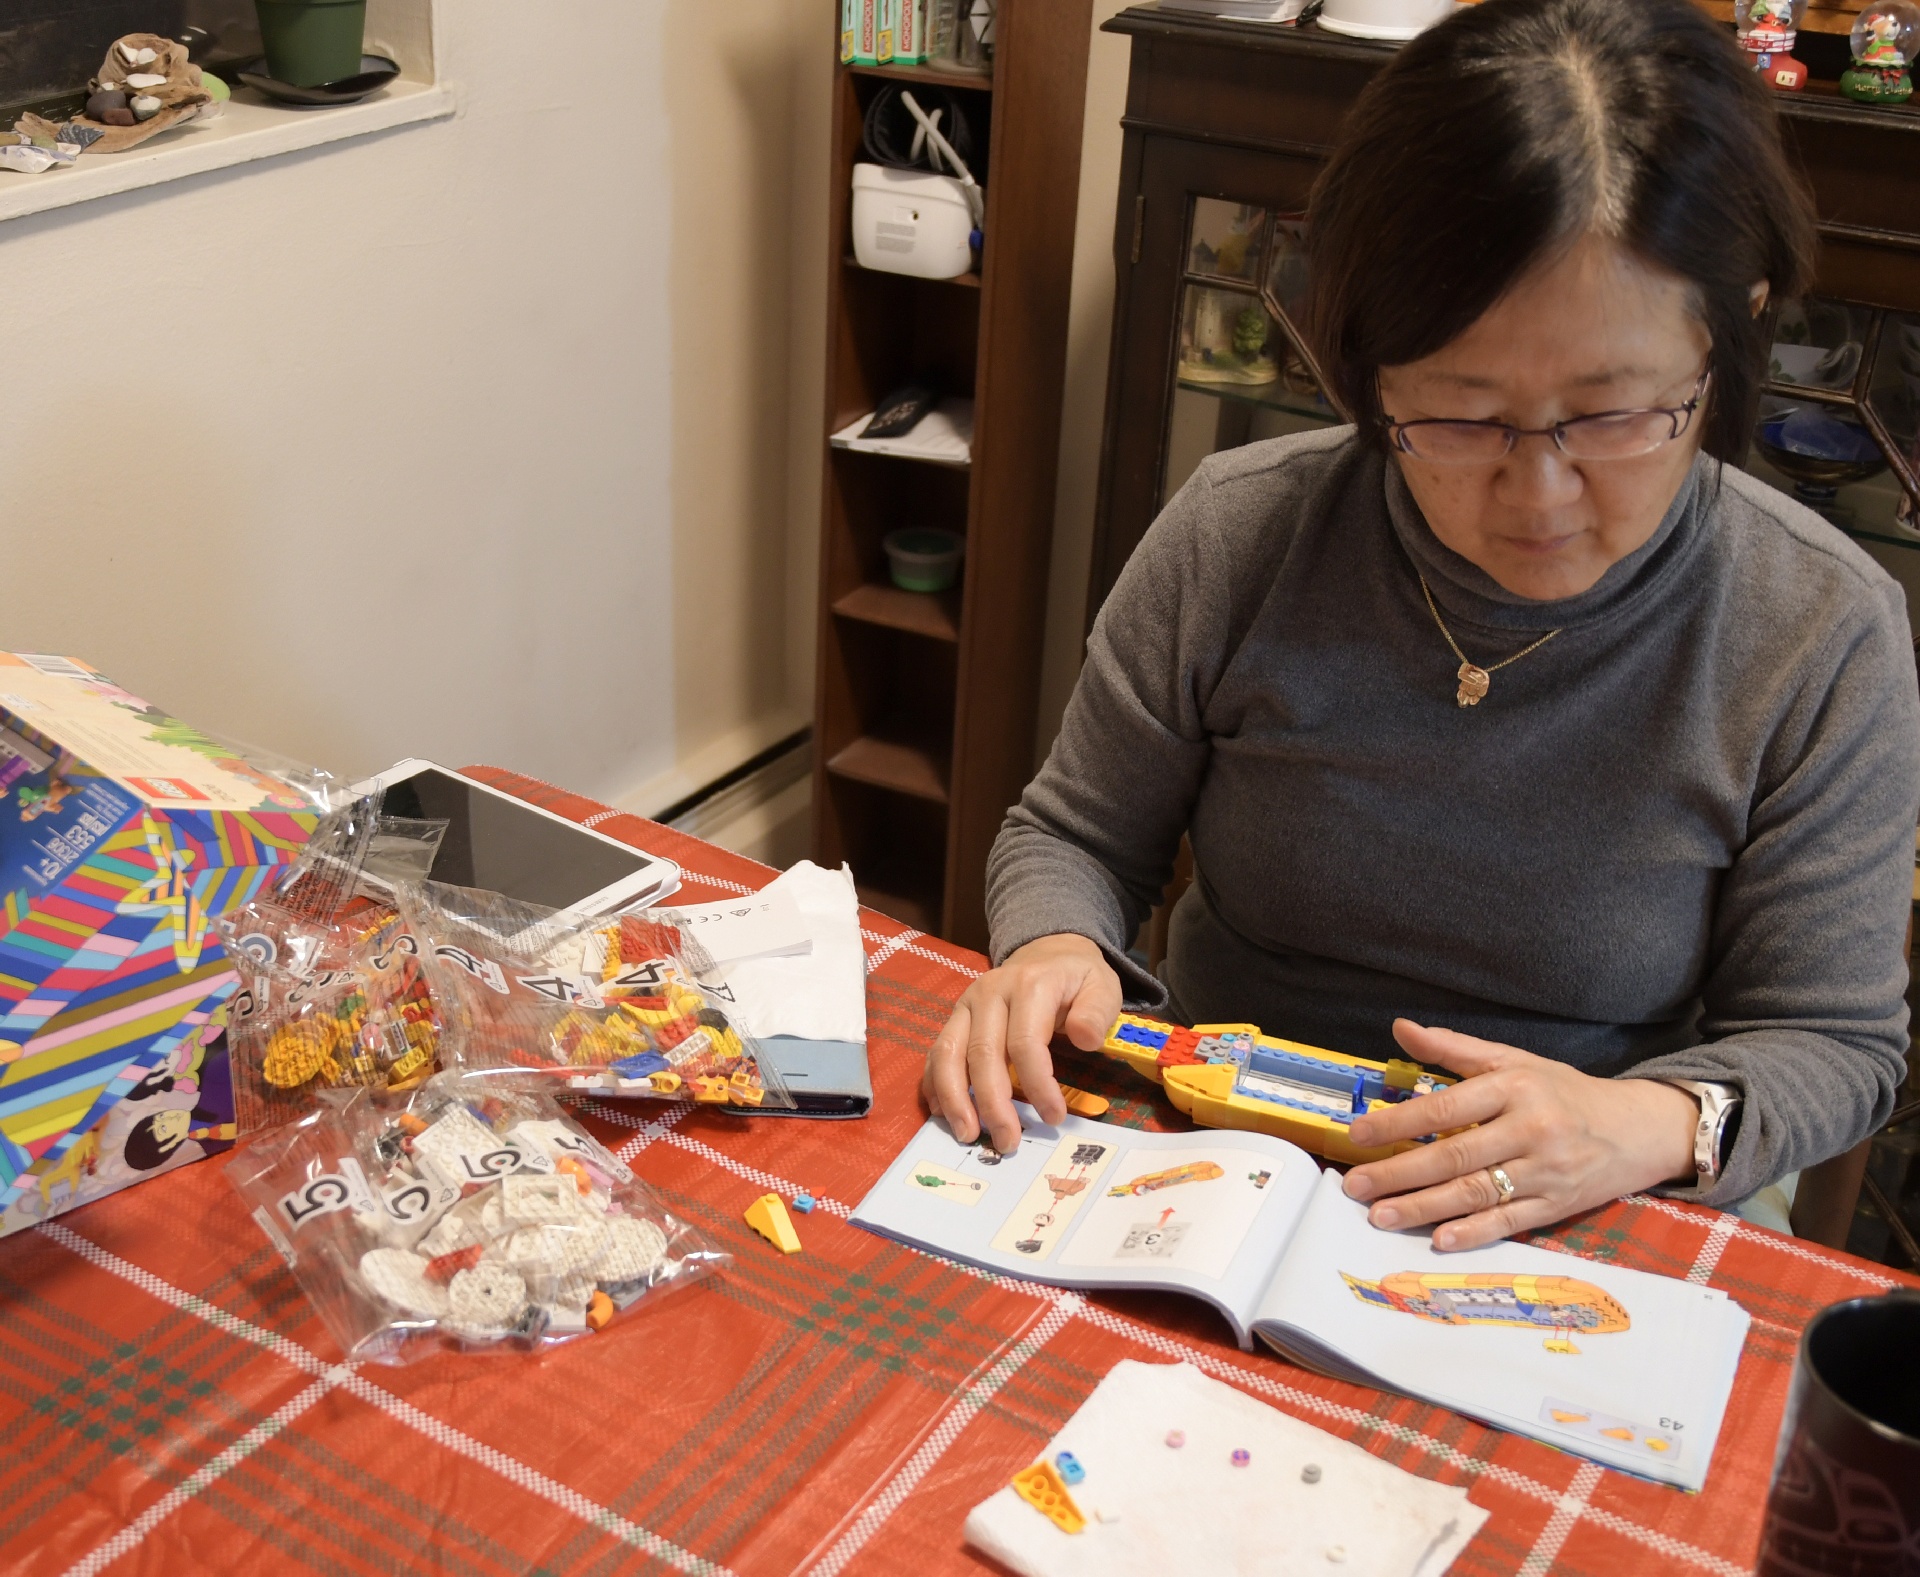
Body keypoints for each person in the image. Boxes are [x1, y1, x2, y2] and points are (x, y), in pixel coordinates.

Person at [924, 0, 1920, 1247]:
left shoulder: (1820, 627)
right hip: (1222, 1150)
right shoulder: (1243, 531)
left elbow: (1830, 1041)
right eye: (1460, 415)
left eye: (1613, 414)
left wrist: (1647, 1119)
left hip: (1575, 1196)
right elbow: (1076, 831)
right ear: (1367, 367)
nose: (1538, 493)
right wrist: (1053, 947)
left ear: (1735, 327)